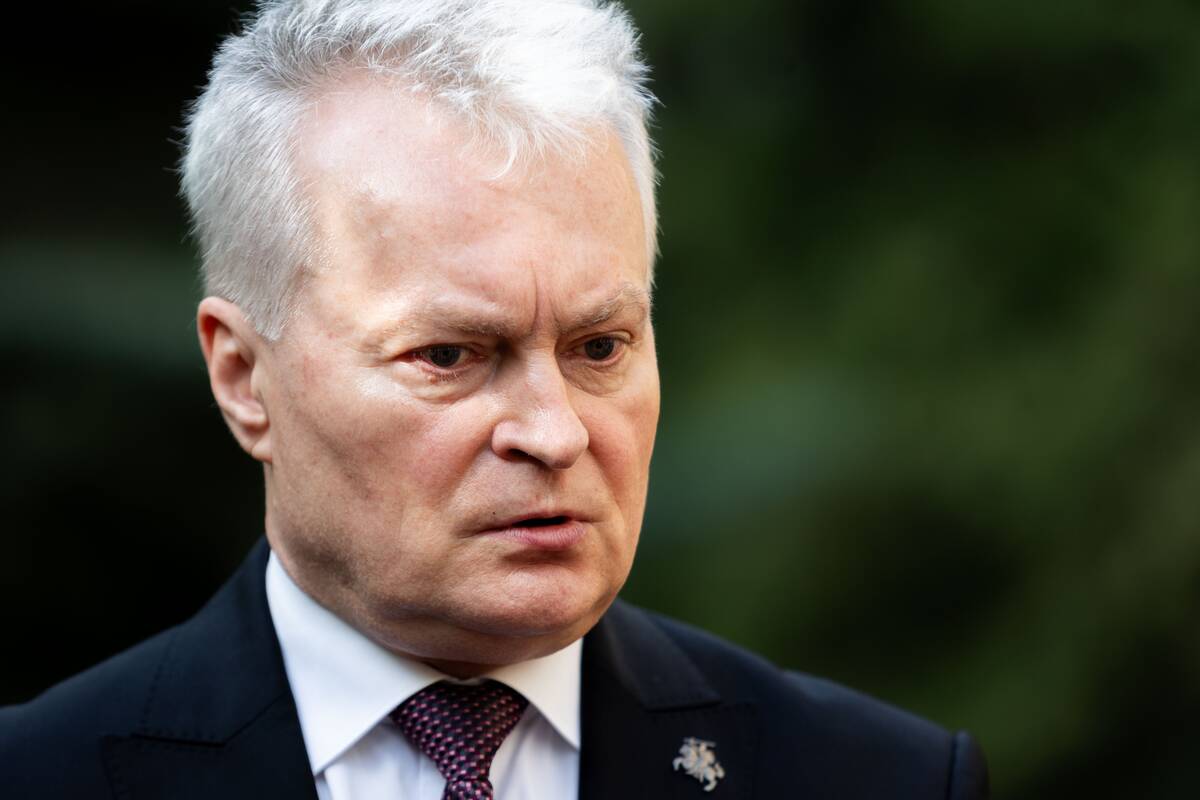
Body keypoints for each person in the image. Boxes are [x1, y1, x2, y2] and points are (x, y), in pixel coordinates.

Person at [0, 1, 989, 797]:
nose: (555, 432)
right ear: (243, 378)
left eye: (599, 346)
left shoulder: (878, 779)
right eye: (450, 356)